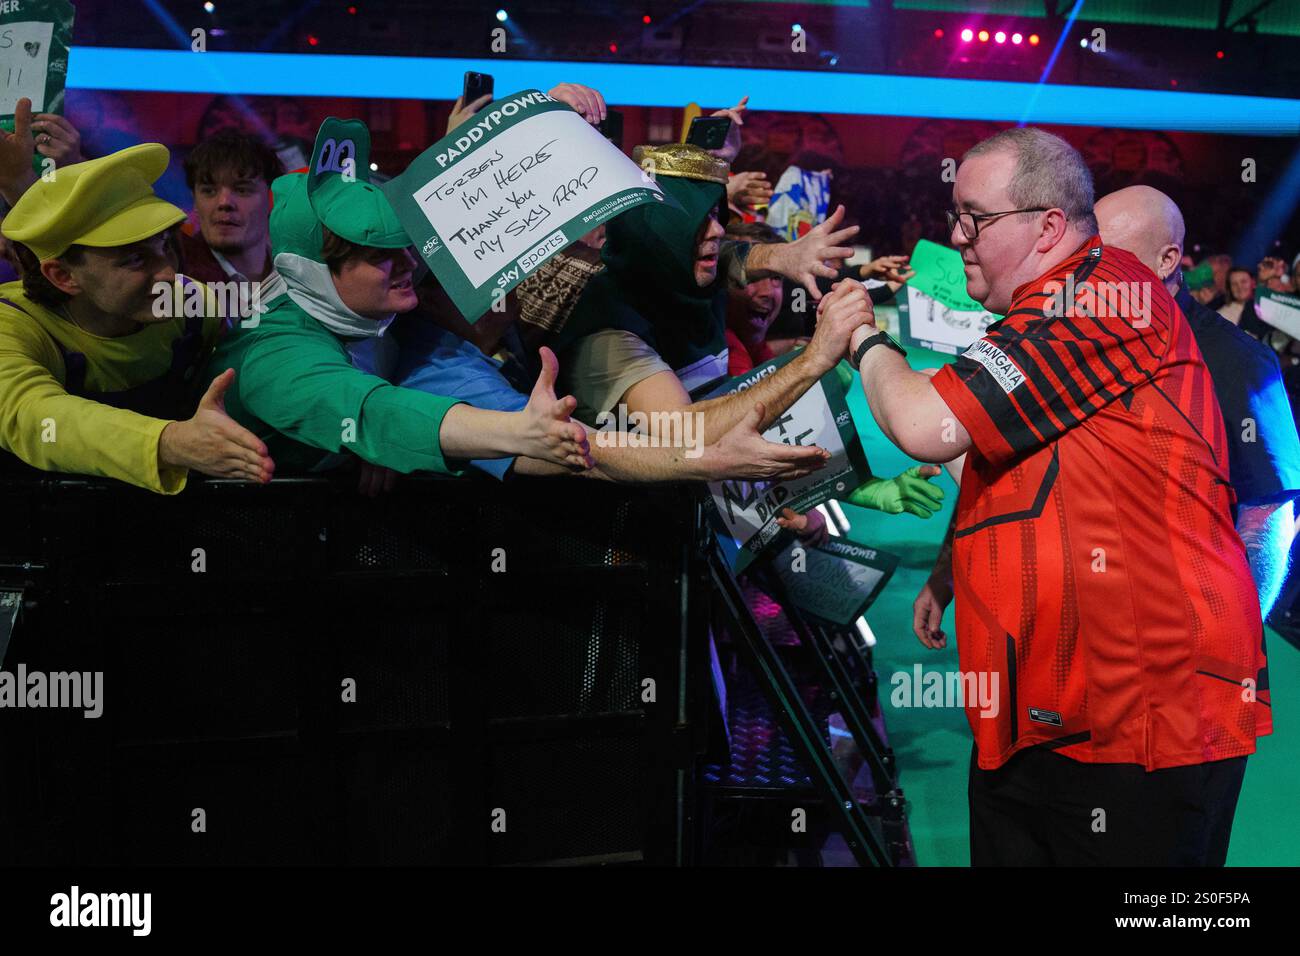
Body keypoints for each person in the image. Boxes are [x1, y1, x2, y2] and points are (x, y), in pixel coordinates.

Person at [832, 126, 1270, 866]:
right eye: (954, 216)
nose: (958, 236)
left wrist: (865, 342)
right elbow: (1013, 455)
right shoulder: (1053, 307)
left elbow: (923, 424)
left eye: (977, 217)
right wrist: (949, 565)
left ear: (1049, 227)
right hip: (1039, 712)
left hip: (1138, 721)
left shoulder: (1104, 295)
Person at [204, 118, 595, 479]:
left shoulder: (381, 311)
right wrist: (518, 432)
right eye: (380, 255)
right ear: (313, 271)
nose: (408, 263)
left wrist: (542, 125)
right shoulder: (277, 355)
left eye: (405, 247)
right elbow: (374, 416)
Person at [554, 142, 864, 457]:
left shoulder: (688, 278)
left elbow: (733, 255)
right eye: (699, 219)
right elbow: (688, 434)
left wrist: (786, 255)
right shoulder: (608, 334)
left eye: (716, 214)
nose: (717, 230)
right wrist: (813, 360)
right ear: (662, 228)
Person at [0, 141, 275, 492]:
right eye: (133, 259)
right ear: (63, 276)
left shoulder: (192, 304)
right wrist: (171, 442)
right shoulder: (14, 326)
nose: (166, 274)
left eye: (164, 247)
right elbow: (35, 418)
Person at [181, 130, 283, 286]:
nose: (224, 203)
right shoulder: (177, 282)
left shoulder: (301, 276)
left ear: (272, 198)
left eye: (242, 190)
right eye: (209, 191)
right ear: (194, 200)